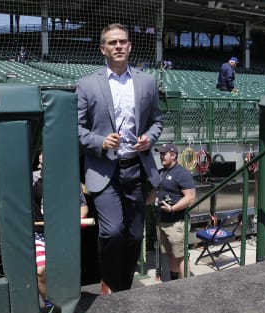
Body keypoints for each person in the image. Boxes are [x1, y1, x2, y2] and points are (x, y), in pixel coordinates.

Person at [77, 23, 162, 295]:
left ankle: (122, 287)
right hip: (104, 171)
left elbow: (156, 121)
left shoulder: (146, 81)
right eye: (112, 43)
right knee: (112, 232)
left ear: (130, 46)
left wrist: (149, 137)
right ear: (103, 48)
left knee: (135, 235)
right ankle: (109, 282)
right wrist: (100, 142)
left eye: (122, 41)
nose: (118, 46)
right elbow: (76, 129)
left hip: (137, 169)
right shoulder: (88, 84)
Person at [32, 151, 88, 306]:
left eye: (43, 163)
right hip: (40, 234)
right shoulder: (32, 179)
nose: (39, 166)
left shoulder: (70, 181)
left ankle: (66, 302)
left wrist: (78, 221)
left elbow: (83, 208)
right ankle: (50, 303)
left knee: (64, 271)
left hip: (62, 235)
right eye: (39, 162)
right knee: (41, 271)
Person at [154, 143, 196, 280]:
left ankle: (185, 286)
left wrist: (172, 208)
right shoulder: (161, 172)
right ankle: (174, 282)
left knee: (181, 255)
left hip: (177, 223)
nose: (161, 156)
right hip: (163, 221)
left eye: (163, 154)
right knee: (171, 254)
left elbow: (190, 198)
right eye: (160, 153)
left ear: (173, 155)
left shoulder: (181, 173)